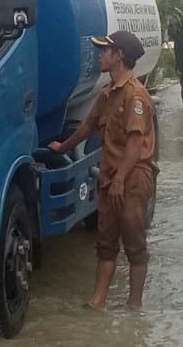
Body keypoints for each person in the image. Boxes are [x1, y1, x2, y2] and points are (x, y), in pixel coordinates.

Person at [49, 29, 157, 311]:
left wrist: (121, 178)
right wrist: (63, 147)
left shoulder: (135, 96)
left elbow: (135, 142)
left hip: (132, 177)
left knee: (134, 242)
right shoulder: (106, 93)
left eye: (105, 50)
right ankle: (98, 301)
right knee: (105, 242)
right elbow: (87, 126)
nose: (100, 55)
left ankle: (135, 305)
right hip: (111, 177)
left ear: (118, 55)